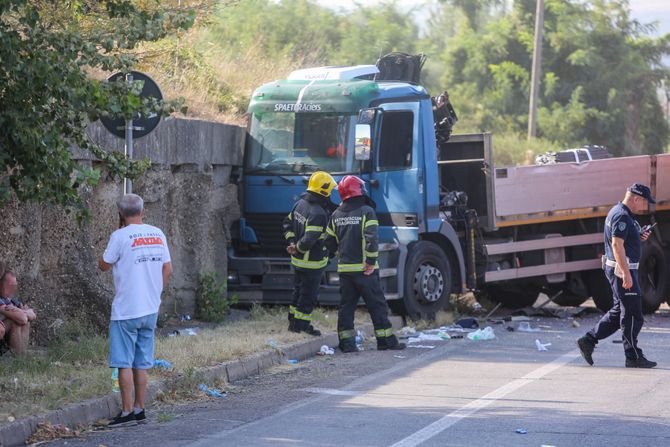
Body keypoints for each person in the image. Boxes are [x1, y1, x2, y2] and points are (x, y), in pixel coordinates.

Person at [99, 193, 172, 427]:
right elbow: (167, 268)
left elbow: (103, 264)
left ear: (120, 214)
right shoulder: (157, 233)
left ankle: (127, 411)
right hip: (150, 308)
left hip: (126, 311)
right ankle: (141, 408)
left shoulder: (119, 236)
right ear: (143, 212)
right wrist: (156, 293)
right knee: (142, 362)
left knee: (124, 363)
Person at [577, 183, 657, 368]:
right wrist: (626, 274)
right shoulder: (622, 215)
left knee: (618, 312)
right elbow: (616, 245)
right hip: (622, 271)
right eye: (644, 202)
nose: (644, 206)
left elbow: (624, 240)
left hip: (620, 269)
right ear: (636, 198)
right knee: (632, 314)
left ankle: (588, 340)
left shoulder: (621, 212)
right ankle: (633, 355)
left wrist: (638, 235)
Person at [324, 175, 405, 352]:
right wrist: (369, 261)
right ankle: (385, 341)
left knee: (346, 307)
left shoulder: (336, 214)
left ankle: (347, 344)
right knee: (377, 305)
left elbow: (328, 241)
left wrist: (342, 254)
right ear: (357, 190)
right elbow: (371, 238)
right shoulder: (367, 211)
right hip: (365, 270)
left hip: (345, 270)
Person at [282, 171, 337, 336]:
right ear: (323, 191)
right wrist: (298, 247)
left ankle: (293, 323)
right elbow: (308, 240)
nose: (331, 194)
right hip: (311, 263)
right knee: (308, 297)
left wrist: (291, 243)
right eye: (330, 191)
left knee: (298, 292)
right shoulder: (318, 213)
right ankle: (302, 326)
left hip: (298, 261)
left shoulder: (299, 204)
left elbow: (287, 223)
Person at [0, 267, 36, 355]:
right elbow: (23, 318)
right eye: (10, 286)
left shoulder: (11, 300)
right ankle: (18, 358)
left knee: (26, 322)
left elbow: (33, 314)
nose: (12, 289)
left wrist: (18, 310)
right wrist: (22, 312)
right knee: (15, 322)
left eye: (14, 286)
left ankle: (22, 357)